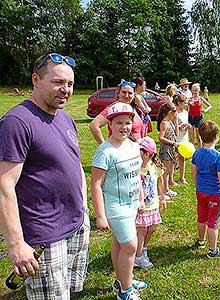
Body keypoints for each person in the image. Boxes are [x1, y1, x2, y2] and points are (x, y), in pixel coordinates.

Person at [0, 53, 90, 299]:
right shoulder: (17, 122)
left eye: (70, 84)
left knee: (69, 290)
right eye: (58, 82)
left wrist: (83, 208)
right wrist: (17, 244)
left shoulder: (66, 118)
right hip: (45, 232)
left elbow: (75, 163)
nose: (66, 90)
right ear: (36, 79)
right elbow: (3, 186)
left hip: (76, 222)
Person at [91, 102, 146, 300]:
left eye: (128, 123)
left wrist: (140, 198)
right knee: (130, 246)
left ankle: (124, 279)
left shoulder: (133, 145)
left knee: (119, 244)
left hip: (131, 204)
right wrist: (100, 216)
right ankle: (125, 291)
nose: (124, 127)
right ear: (110, 125)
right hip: (115, 207)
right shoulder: (105, 152)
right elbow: (96, 185)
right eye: (119, 123)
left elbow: (136, 174)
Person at [191, 120, 220, 258]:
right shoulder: (218, 157)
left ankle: (201, 241)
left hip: (200, 192)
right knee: (213, 222)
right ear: (216, 137)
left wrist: (198, 186)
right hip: (214, 194)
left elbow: (194, 173)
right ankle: (213, 251)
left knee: (202, 217)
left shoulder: (197, 153)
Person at [134, 137, 167, 269]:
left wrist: (163, 197)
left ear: (147, 153)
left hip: (153, 205)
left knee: (151, 229)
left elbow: (160, 182)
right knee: (142, 230)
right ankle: (138, 257)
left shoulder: (154, 167)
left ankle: (144, 249)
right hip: (141, 207)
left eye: (139, 152)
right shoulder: (135, 168)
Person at [157, 102, 179, 197]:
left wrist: (176, 121)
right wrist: (172, 143)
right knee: (166, 171)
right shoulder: (164, 123)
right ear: (169, 112)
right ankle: (163, 190)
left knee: (170, 170)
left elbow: (176, 134)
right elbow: (161, 138)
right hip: (166, 149)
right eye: (174, 111)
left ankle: (166, 189)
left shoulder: (170, 122)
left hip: (171, 149)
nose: (176, 112)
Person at [173, 93, 191, 184]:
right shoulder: (174, 113)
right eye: (185, 103)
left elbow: (187, 123)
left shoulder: (185, 113)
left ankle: (182, 177)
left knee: (182, 158)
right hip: (175, 138)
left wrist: (187, 126)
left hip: (184, 137)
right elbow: (172, 125)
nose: (186, 105)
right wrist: (179, 127)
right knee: (172, 158)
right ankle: (170, 179)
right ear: (179, 103)